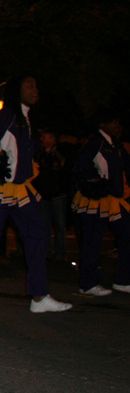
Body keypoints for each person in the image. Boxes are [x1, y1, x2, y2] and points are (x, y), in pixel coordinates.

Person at [0, 76, 72, 313]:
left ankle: (39, 296)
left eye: (35, 85)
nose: (35, 90)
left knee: (37, 236)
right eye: (29, 86)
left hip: (20, 190)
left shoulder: (24, 117)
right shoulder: (7, 115)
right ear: (16, 91)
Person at [71, 109, 130, 296]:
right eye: (113, 122)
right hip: (96, 201)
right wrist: (95, 181)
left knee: (127, 234)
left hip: (114, 201)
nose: (117, 125)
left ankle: (123, 280)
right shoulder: (96, 142)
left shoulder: (114, 144)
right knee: (92, 241)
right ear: (102, 124)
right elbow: (80, 164)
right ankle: (88, 284)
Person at [35, 128, 70, 262]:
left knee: (60, 225)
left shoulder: (60, 154)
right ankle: (47, 251)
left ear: (52, 138)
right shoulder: (41, 154)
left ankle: (61, 252)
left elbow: (63, 173)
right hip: (45, 194)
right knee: (45, 224)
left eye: (45, 137)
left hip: (57, 194)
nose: (42, 140)